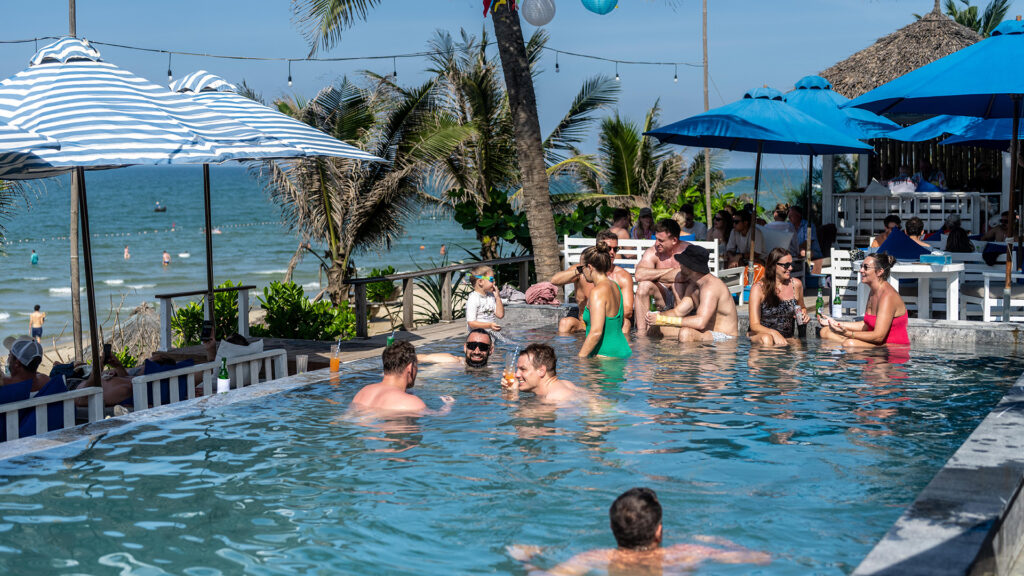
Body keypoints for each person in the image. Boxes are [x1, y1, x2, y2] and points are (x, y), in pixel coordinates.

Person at [508, 487, 770, 574]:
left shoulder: (595, 557)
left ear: (612, 528)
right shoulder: (687, 552)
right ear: (659, 532)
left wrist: (525, 558)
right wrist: (718, 539)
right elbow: (761, 559)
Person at [646, 244, 739, 342]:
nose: (679, 265)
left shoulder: (710, 287)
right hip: (705, 334)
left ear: (691, 267)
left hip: (725, 338)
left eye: (682, 263)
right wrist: (658, 316)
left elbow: (700, 322)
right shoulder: (693, 286)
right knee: (654, 329)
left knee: (686, 333)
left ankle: (683, 352)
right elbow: (678, 312)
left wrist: (663, 320)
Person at [819, 252, 909, 346]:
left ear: (879, 272)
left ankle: (838, 352)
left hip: (891, 347)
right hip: (876, 343)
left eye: (866, 267)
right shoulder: (873, 291)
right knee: (825, 332)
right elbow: (866, 325)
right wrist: (836, 324)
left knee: (850, 344)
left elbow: (879, 337)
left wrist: (847, 333)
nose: (861, 270)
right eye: (861, 266)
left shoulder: (887, 296)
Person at [552, 232, 634, 334]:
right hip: (584, 324)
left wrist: (599, 318)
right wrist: (582, 270)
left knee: (626, 323)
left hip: (608, 325)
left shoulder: (622, 276)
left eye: (615, 249)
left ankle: (618, 344)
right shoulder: (582, 270)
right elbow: (555, 280)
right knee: (565, 323)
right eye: (608, 248)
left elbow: (628, 311)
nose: (612, 252)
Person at [351, 341, 454, 413]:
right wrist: (448, 406)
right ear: (410, 367)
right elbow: (437, 416)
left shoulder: (363, 392)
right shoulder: (412, 403)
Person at [634, 219, 689, 335]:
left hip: (685, 298)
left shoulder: (687, 250)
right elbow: (639, 275)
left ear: (674, 240)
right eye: (656, 239)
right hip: (662, 296)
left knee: (677, 283)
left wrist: (654, 275)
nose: (656, 243)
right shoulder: (653, 252)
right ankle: (641, 334)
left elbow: (684, 276)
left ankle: (678, 328)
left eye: (661, 240)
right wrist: (672, 271)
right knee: (643, 286)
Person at [577, 242, 631, 358]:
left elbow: (596, 332)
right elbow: (619, 323)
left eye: (582, 268)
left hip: (606, 355)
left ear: (590, 267)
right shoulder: (615, 286)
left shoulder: (597, 292)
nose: (582, 273)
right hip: (622, 351)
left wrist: (580, 358)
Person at [747, 248, 808, 346]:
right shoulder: (758, 288)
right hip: (761, 336)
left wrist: (804, 313)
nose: (791, 268)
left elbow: (802, 307)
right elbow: (754, 325)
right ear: (773, 266)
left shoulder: (796, 285)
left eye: (791, 264)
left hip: (786, 338)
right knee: (767, 339)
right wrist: (773, 333)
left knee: (798, 347)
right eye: (786, 265)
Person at [502, 343, 579, 403]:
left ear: (541, 371)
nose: (516, 375)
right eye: (518, 369)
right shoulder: (566, 384)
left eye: (523, 369)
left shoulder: (554, 398)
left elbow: (519, 417)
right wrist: (512, 390)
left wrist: (513, 396)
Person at [417, 329, 494, 368]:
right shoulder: (451, 361)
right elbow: (414, 358)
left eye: (483, 347)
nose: (476, 352)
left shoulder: (495, 372)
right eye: (472, 346)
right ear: (465, 347)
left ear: (491, 350)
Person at [465, 265, 504, 331]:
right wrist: (489, 325)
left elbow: (500, 315)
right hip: (478, 334)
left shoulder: (491, 296)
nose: (494, 282)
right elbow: (471, 323)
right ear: (480, 282)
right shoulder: (473, 299)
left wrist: (498, 298)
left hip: (491, 331)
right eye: (491, 280)